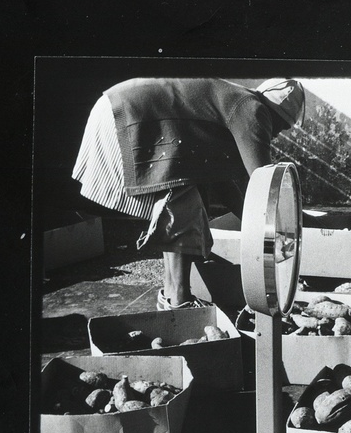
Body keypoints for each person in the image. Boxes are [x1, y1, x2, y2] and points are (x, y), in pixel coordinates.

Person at [72, 77, 305, 309]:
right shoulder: (252, 109)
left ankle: (172, 298)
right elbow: (262, 184)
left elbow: (225, 185)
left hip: (116, 105)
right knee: (184, 212)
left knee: (187, 205)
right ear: (275, 113)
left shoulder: (238, 103)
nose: (276, 135)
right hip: (124, 115)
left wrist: (256, 224)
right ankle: (177, 302)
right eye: (282, 127)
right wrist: (281, 234)